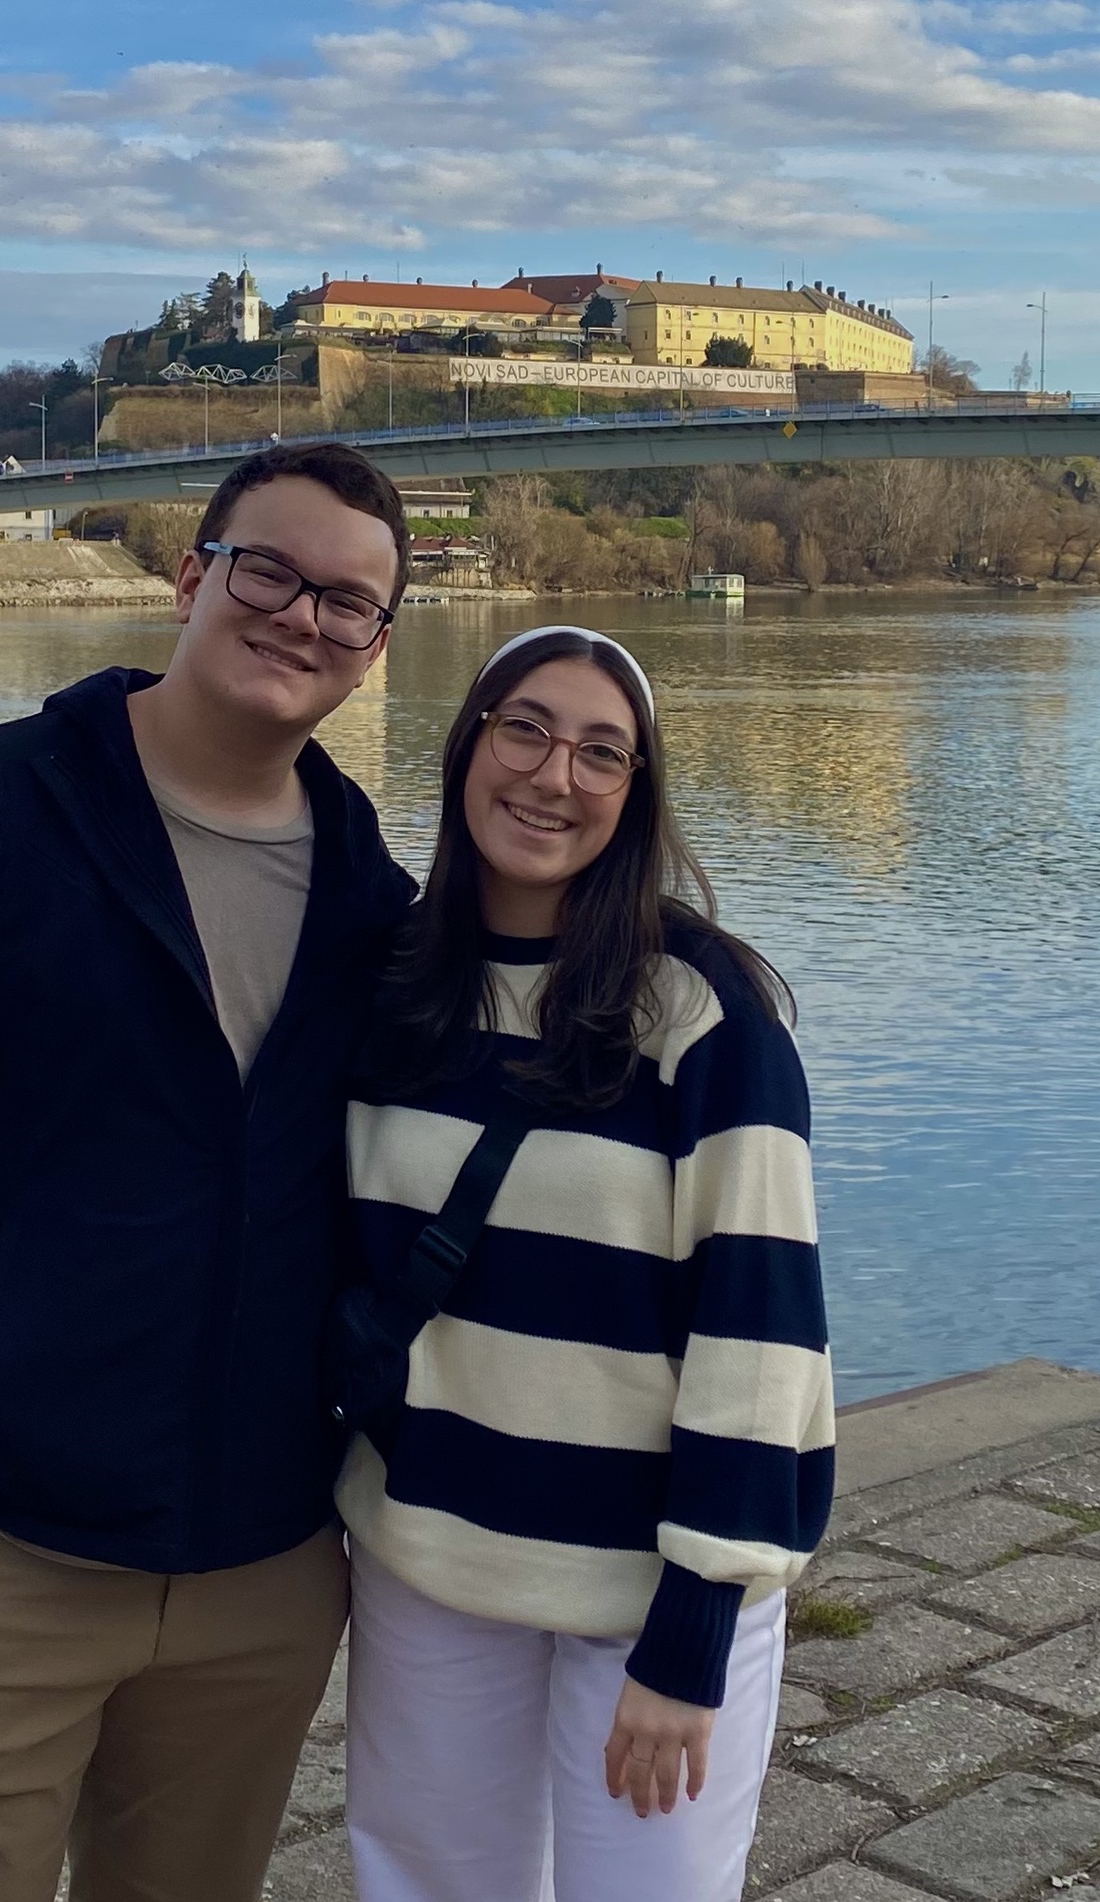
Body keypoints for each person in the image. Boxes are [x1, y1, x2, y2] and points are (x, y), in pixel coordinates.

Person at [0, 442, 416, 1902]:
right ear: (189, 578)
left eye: (348, 602)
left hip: (261, 1564)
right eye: (269, 571)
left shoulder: (372, 901)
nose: (301, 616)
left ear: (375, 649)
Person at [334, 626, 835, 1901]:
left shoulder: (703, 1016)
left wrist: (694, 1625)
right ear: (466, 747)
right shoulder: (394, 986)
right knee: (432, 1884)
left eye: (600, 751)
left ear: (636, 792)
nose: (554, 775)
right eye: (525, 729)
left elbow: (761, 1331)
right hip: (431, 1552)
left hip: (643, 1583)